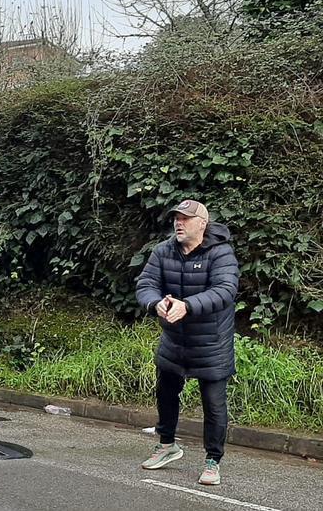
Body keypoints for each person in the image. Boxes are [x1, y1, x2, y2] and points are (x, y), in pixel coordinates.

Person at [136, 199, 239, 487]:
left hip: (211, 343)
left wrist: (188, 306)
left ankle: (213, 460)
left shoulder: (221, 253)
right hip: (174, 340)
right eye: (176, 218)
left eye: (185, 219)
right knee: (166, 393)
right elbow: (146, 284)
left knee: (213, 405)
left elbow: (225, 290)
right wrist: (155, 303)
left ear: (202, 224)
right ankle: (167, 445)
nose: (178, 223)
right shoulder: (163, 250)